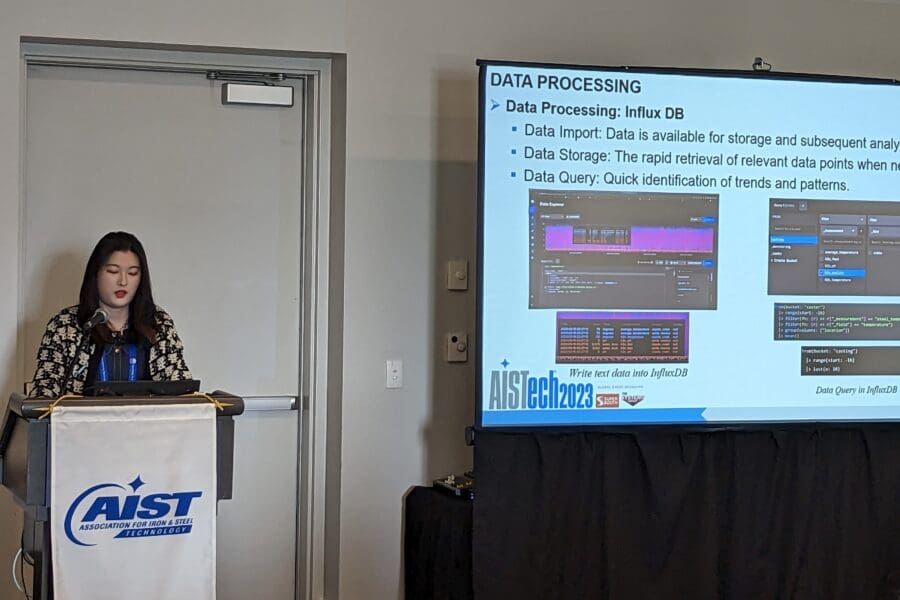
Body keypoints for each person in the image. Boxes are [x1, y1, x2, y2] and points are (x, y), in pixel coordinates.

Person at [29, 231, 192, 397]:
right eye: (113, 271)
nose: (123, 281)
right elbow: (44, 391)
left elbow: (181, 387)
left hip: (148, 422)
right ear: (96, 274)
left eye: (133, 273)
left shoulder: (158, 323)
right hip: (83, 422)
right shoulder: (65, 326)